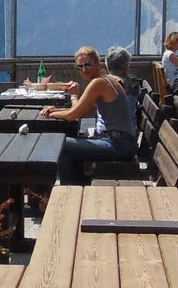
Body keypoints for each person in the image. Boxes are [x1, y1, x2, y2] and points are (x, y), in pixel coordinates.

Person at [42, 45, 138, 184]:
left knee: (61, 145)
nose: (84, 69)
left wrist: (52, 114)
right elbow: (80, 111)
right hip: (121, 142)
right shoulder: (105, 79)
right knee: (70, 149)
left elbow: (73, 115)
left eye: (87, 64)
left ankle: (71, 192)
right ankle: (77, 189)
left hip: (118, 145)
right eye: (80, 66)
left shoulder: (98, 83)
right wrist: (56, 111)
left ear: (98, 63)